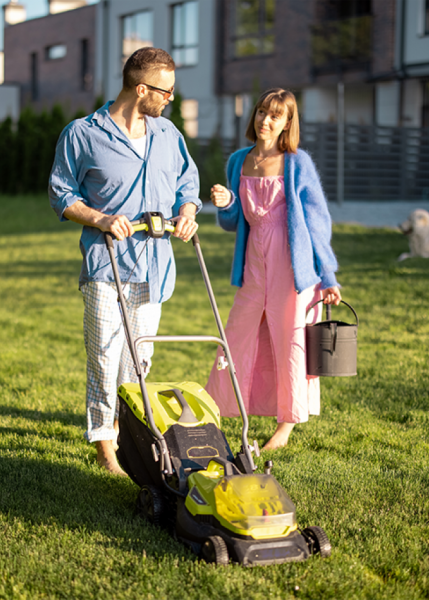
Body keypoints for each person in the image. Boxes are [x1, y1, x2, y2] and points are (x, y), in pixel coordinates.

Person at [49, 47, 201, 475]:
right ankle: (103, 446)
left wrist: (187, 214)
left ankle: (124, 430)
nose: (170, 98)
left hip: (155, 268)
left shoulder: (168, 135)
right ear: (141, 88)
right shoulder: (83, 133)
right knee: (103, 355)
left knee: (137, 361)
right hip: (106, 266)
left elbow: (187, 185)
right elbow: (61, 194)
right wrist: (100, 218)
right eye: (165, 91)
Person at [205, 88, 341, 451]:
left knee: (290, 341)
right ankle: (213, 407)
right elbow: (234, 222)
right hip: (255, 266)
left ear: (287, 124)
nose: (266, 120)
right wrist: (227, 202)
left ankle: (286, 425)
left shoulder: (298, 163)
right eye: (262, 111)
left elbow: (317, 224)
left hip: (292, 270)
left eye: (276, 116)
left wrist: (327, 276)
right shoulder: (238, 161)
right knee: (235, 336)